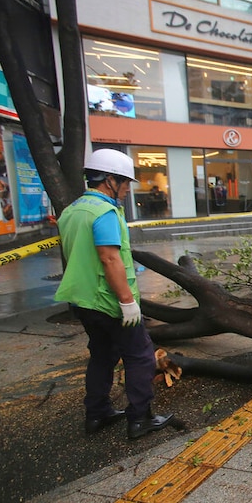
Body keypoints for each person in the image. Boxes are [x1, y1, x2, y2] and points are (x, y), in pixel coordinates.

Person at [54, 149, 174, 439]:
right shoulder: (105, 212)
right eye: (125, 183)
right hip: (110, 301)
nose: (127, 189)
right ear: (110, 180)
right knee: (141, 357)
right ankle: (140, 419)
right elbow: (109, 259)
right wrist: (128, 302)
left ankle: (97, 413)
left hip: (83, 300)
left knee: (102, 355)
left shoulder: (72, 211)